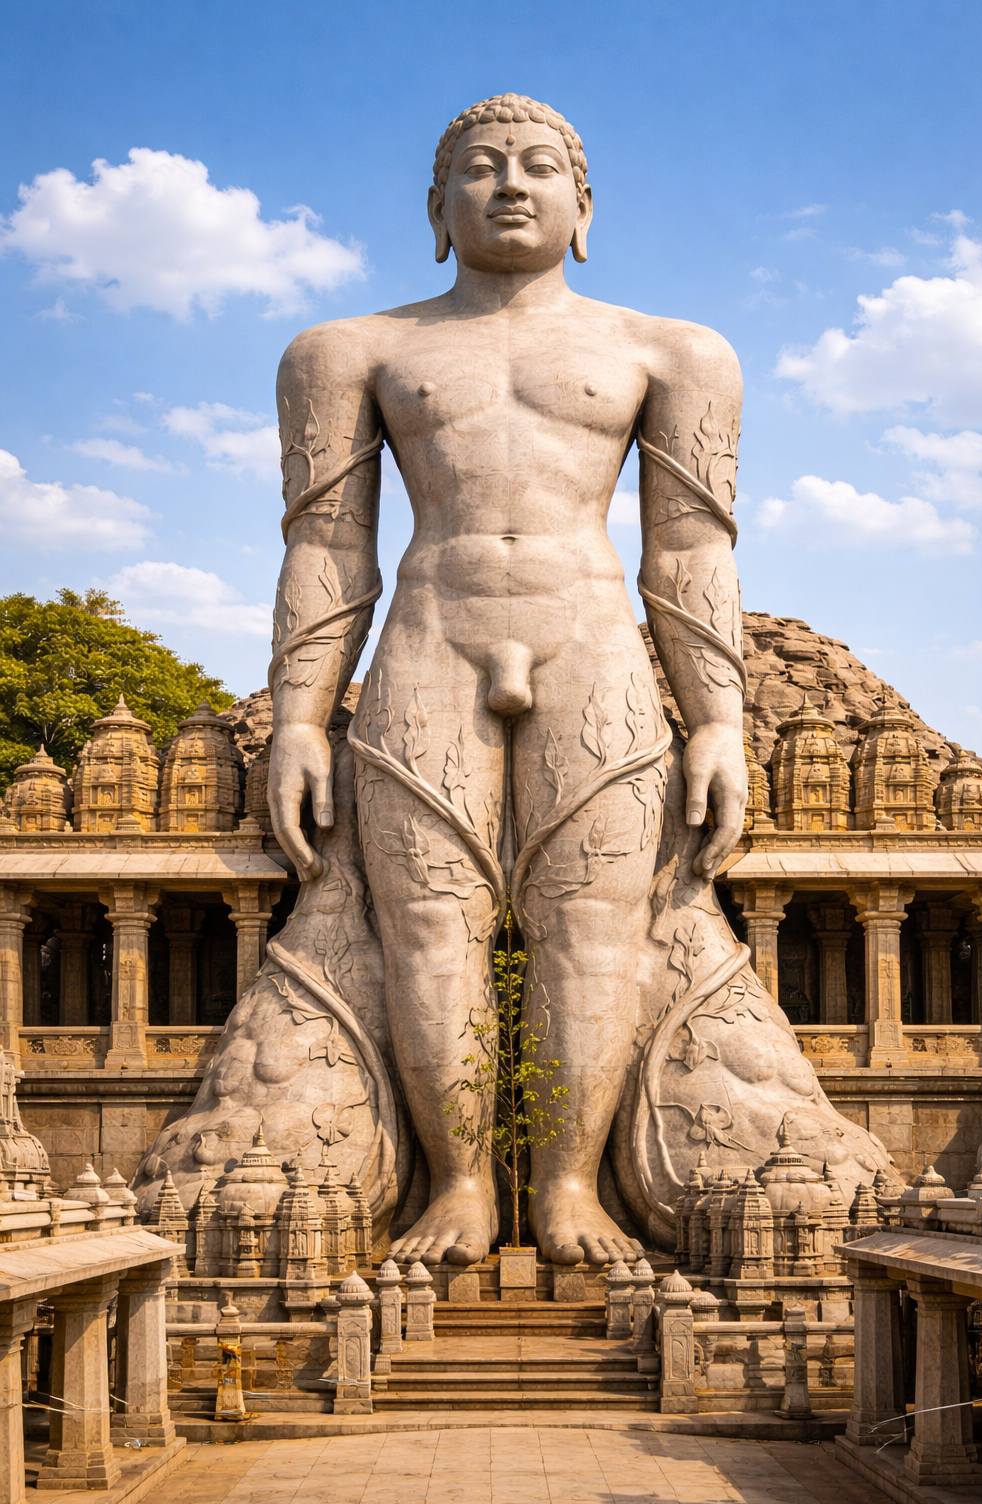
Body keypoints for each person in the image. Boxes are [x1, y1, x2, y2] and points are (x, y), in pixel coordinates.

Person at [268, 93, 748, 1266]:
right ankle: (462, 1187)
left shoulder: (670, 351)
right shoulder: (351, 351)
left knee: (593, 926)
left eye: (540, 167)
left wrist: (720, 719)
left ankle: (574, 1188)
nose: (511, 185)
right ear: (437, 210)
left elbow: (687, 547)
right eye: (479, 169)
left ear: (585, 208)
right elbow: (327, 546)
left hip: (590, 639)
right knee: (429, 924)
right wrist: (295, 718)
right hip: (433, 634)